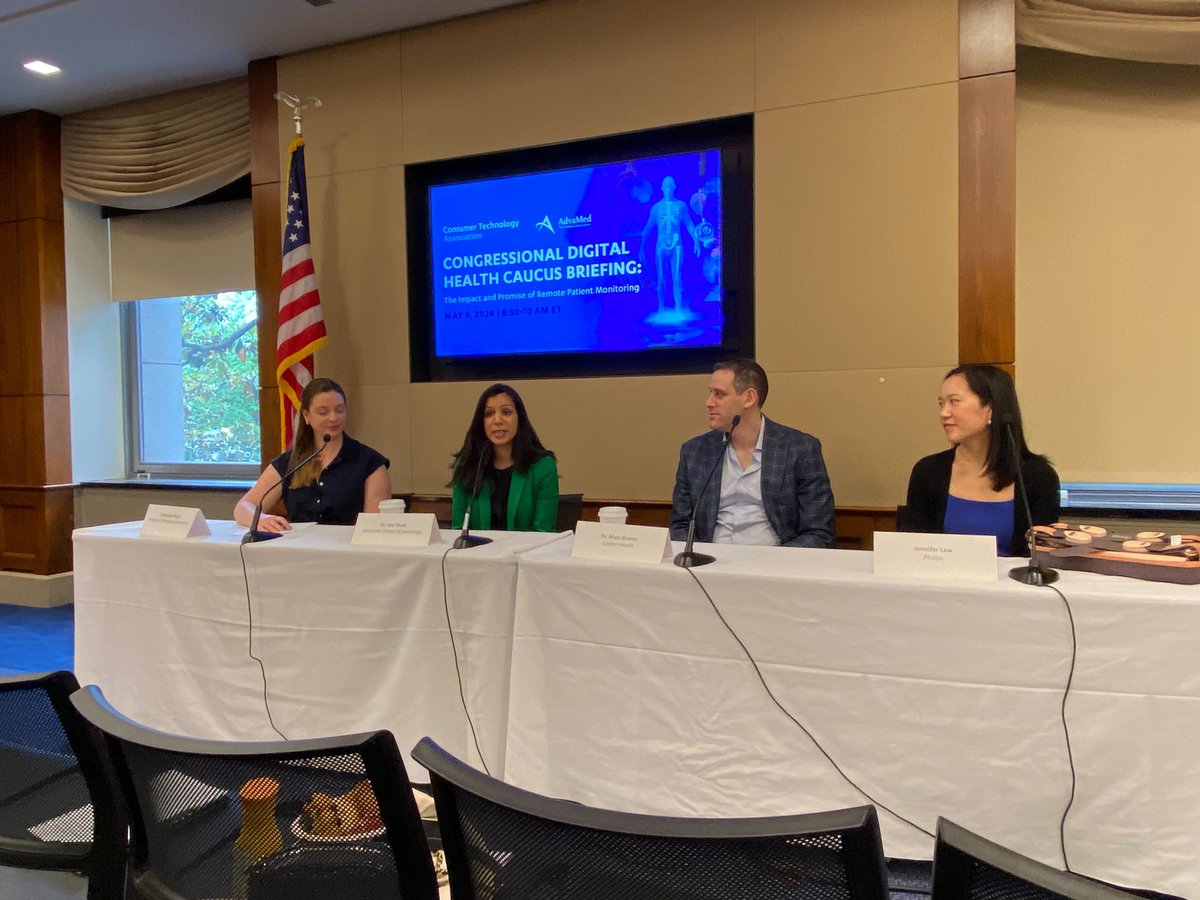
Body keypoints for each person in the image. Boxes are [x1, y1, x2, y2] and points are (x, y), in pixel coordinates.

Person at [670, 359, 835, 548]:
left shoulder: (800, 449)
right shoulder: (694, 452)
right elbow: (680, 526)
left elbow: (818, 532)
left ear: (749, 398)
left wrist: (776, 565)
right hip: (709, 564)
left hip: (775, 565)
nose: (708, 403)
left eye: (719, 394)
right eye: (710, 393)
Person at [899, 364, 1059, 556]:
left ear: (990, 409)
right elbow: (913, 551)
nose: (944, 413)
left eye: (954, 402)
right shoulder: (928, 471)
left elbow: (1043, 557)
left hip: (1011, 585)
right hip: (944, 584)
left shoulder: (1038, 476)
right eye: (941, 403)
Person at [235, 377, 391, 531]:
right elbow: (243, 507)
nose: (333, 418)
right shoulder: (290, 462)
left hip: (348, 552)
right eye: (323, 412)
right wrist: (262, 519)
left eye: (340, 410)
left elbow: (374, 529)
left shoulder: (370, 462)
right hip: (297, 551)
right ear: (306, 416)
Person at [450, 383, 559, 532]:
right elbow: (458, 529)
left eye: (506, 412)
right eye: (489, 414)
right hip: (478, 554)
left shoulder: (543, 466)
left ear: (519, 418)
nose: (497, 420)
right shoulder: (466, 465)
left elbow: (544, 531)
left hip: (526, 553)